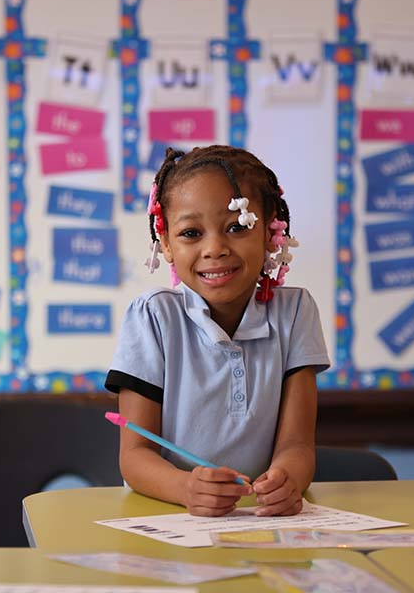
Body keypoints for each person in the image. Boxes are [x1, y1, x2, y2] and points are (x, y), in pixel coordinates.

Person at [105, 145, 330, 517]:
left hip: (256, 522)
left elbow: (297, 445)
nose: (215, 249)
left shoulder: (295, 313)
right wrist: (186, 487)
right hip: (168, 517)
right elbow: (134, 456)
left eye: (237, 227)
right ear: (166, 243)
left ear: (270, 228)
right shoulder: (153, 317)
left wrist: (287, 480)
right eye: (191, 233)